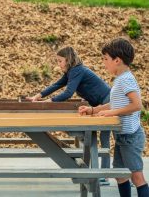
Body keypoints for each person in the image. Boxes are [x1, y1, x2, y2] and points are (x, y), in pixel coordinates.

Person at [79, 38, 149, 197]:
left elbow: (137, 105)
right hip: (121, 136)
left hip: (130, 137)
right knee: (120, 175)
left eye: (106, 59)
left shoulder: (126, 79)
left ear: (117, 60)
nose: (104, 62)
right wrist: (93, 110)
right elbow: (112, 104)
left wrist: (111, 114)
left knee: (137, 177)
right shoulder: (120, 80)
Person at [27, 47, 111, 184]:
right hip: (100, 102)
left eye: (60, 61)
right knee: (103, 137)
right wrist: (38, 95)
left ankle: (106, 175)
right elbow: (57, 85)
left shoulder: (77, 70)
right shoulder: (72, 72)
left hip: (108, 100)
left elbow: (68, 93)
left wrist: (50, 102)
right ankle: (105, 174)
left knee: (105, 137)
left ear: (68, 60)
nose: (58, 64)